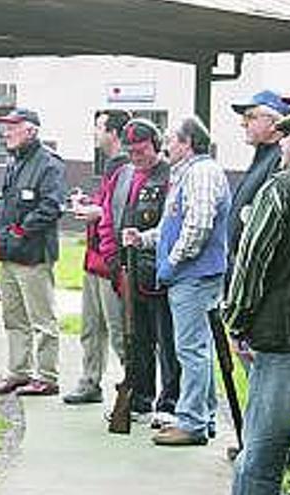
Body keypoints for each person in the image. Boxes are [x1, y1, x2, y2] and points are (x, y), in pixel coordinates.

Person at [124, 115, 231, 446]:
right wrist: (143, 239)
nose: (166, 145)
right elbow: (174, 227)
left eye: (171, 139)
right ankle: (202, 416)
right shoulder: (189, 174)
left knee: (191, 351)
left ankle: (192, 423)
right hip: (193, 276)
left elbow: (197, 228)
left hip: (194, 277)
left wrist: (170, 263)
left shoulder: (200, 173)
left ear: (187, 143)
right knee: (197, 349)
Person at [224, 108, 290, 495]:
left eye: (287, 137)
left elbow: (251, 265)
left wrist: (236, 322)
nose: (283, 146)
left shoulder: (281, 188)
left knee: (260, 461)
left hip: (285, 344)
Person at [98, 118, 179, 424]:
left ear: (156, 146)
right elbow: (107, 220)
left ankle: (168, 404)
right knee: (136, 342)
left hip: (159, 275)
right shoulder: (123, 176)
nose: (136, 157)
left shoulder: (172, 176)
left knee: (168, 345)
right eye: (131, 150)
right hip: (127, 272)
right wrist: (112, 261)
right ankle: (140, 398)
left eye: (142, 150)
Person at [0, 107, 66, 396]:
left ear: (31, 130)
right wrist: (1, 234)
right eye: (6, 127)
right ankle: (19, 372)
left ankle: (47, 377)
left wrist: (21, 231)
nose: (5, 132)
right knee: (14, 317)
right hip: (10, 254)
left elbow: (52, 206)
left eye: (13, 126)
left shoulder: (49, 164)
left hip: (33, 255)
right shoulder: (15, 162)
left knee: (42, 319)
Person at [63, 109, 131, 404]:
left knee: (118, 332)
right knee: (91, 329)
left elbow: (126, 212)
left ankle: (135, 389)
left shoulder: (126, 168)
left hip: (111, 264)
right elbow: (108, 205)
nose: (94, 133)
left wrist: (98, 212)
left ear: (113, 133)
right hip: (94, 261)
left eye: (99, 127)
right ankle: (90, 382)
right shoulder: (110, 167)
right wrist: (91, 205)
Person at [226, 90, 290, 277]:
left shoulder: (281, 159)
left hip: (260, 276)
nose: (243, 123)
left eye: (250, 117)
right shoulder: (264, 156)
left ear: (273, 123)